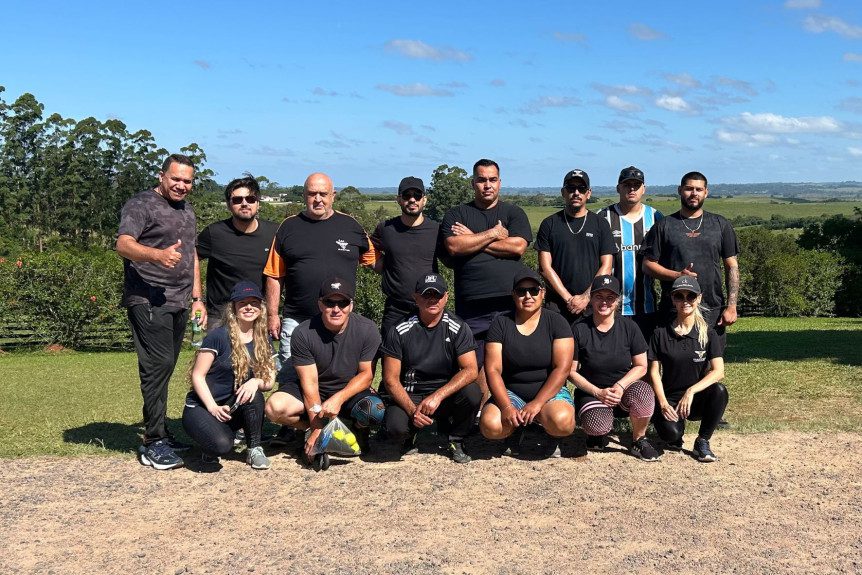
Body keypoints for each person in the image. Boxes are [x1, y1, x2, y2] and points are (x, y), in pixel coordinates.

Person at [263, 173, 375, 444]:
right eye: (312, 193)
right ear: (304, 196)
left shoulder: (351, 226)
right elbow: (274, 274)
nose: (318, 199)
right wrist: (272, 313)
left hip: (341, 318)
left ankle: (341, 420)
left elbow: (371, 258)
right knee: (293, 376)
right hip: (298, 318)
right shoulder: (289, 227)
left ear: (333, 196)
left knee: (342, 374)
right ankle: (297, 428)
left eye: (323, 194)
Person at [116, 153, 205, 470]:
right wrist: (155, 255)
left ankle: (161, 432)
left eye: (187, 181)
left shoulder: (187, 210)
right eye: (176, 178)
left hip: (180, 300)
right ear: (162, 175)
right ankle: (153, 443)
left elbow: (191, 255)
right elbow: (123, 244)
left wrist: (197, 297)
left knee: (165, 367)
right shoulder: (141, 204)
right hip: (148, 298)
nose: (181, 185)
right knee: (158, 365)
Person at [264, 277, 385, 463]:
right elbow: (310, 385)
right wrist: (317, 429)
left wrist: (338, 398)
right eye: (330, 302)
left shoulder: (367, 329)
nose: (336, 309)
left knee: (375, 410)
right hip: (316, 389)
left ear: (351, 305)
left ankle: (354, 428)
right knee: (274, 408)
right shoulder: (303, 333)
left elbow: (366, 375)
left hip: (349, 391)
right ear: (320, 304)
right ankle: (317, 430)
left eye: (343, 303)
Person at [441, 159, 533, 396]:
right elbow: (454, 246)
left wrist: (474, 239)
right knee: (474, 363)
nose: (487, 185)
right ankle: (477, 416)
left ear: (500, 183)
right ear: (473, 183)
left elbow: (517, 248)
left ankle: (511, 411)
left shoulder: (513, 213)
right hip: (472, 305)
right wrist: (493, 234)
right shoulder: (458, 214)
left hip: (509, 301)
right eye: (481, 180)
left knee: (512, 360)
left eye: (492, 180)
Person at [381, 273, 480, 463]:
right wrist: (412, 411)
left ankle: (456, 438)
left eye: (437, 294)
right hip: (412, 393)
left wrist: (438, 396)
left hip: (443, 394)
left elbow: (471, 370)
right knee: (395, 428)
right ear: (416, 298)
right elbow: (390, 379)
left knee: (472, 392)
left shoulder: (458, 326)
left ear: (446, 297)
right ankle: (409, 436)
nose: (432, 299)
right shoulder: (399, 329)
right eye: (426, 295)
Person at [479, 268, 575, 458]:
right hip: (512, 392)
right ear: (514, 295)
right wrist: (506, 407)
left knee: (562, 422)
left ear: (543, 292)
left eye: (534, 290)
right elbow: (493, 370)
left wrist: (538, 403)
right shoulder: (500, 323)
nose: (528, 296)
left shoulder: (557, 322)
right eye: (521, 291)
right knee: (490, 426)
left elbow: (562, 369)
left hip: (548, 393)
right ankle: (515, 430)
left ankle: (546, 430)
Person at [642, 171, 740, 351]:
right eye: (689, 189)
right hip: (673, 308)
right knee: (675, 365)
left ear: (706, 192)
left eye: (698, 189)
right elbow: (647, 265)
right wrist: (677, 275)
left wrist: (732, 306)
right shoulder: (664, 225)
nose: (694, 193)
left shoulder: (720, 224)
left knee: (711, 368)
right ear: (680, 190)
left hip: (712, 308)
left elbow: (732, 266)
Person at [182, 281, 275, 470]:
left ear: (261, 307)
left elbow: (270, 380)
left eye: (253, 302)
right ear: (233, 308)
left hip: (232, 407)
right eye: (242, 303)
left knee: (253, 393)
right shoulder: (218, 336)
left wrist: (256, 381)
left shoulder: (264, 338)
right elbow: (198, 375)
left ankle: (254, 448)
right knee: (222, 445)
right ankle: (211, 440)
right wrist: (212, 407)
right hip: (202, 406)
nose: (249, 307)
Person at [569, 275, 660, 461]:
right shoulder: (579, 329)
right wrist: (597, 392)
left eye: (610, 297)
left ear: (618, 300)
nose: (604, 302)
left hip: (624, 390)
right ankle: (598, 432)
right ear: (591, 299)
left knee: (644, 392)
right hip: (593, 391)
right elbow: (570, 371)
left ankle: (639, 439)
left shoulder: (629, 327)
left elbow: (642, 366)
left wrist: (620, 386)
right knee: (597, 426)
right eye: (599, 296)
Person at [648, 276, 728, 462]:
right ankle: (670, 428)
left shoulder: (708, 333)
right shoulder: (660, 333)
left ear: (699, 298)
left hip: (696, 398)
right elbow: (654, 372)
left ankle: (702, 441)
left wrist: (691, 391)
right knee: (671, 436)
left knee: (720, 391)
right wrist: (662, 403)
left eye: (690, 296)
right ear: (672, 299)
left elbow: (718, 371)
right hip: (670, 399)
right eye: (679, 296)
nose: (685, 301)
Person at [196, 175, 279, 330]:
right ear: (229, 205)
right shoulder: (214, 233)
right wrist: (197, 300)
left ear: (258, 203)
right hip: (221, 318)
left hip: (258, 315)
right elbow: (191, 260)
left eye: (250, 199)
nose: (244, 203)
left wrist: (273, 314)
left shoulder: (274, 233)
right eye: (237, 200)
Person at [536, 169, 615, 323]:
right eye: (571, 188)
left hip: (593, 305)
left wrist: (586, 297)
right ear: (563, 192)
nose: (576, 193)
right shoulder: (549, 224)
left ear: (589, 193)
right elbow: (545, 267)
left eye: (581, 189)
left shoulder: (600, 224)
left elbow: (607, 265)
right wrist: (568, 299)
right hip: (557, 306)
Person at [371, 176, 441, 339]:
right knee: (390, 358)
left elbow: (452, 253)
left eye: (417, 196)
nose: (412, 200)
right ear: (398, 199)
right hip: (396, 309)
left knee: (428, 360)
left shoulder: (436, 230)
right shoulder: (386, 229)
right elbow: (367, 249)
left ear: (424, 200)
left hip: (429, 307)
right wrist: (382, 266)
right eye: (406, 195)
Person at [598, 166, 663, 340]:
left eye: (636, 185)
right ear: (618, 188)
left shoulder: (656, 217)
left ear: (644, 189)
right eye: (627, 184)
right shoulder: (603, 217)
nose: (632, 189)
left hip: (646, 306)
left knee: (645, 361)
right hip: (610, 306)